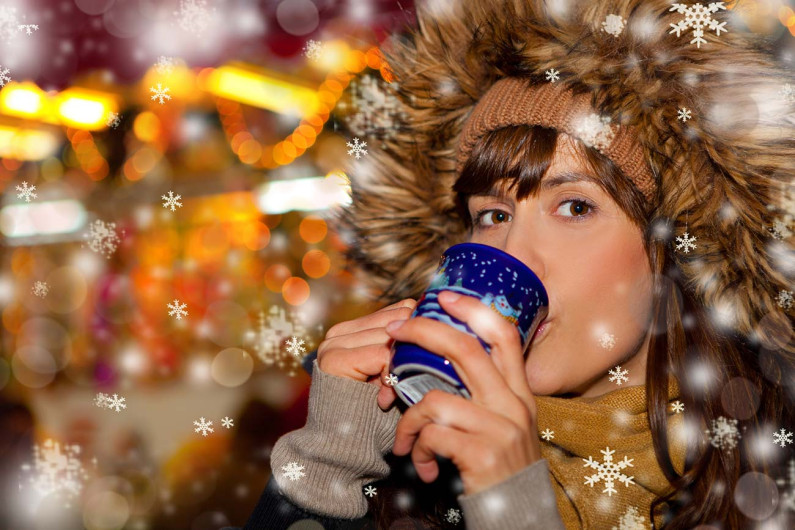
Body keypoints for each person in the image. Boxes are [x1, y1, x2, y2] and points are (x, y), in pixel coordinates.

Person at [231, 0, 795, 528]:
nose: (513, 255)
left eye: (575, 207)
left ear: (673, 247)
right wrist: (329, 465)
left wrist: (512, 505)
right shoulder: (415, 469)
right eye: (493, 215)